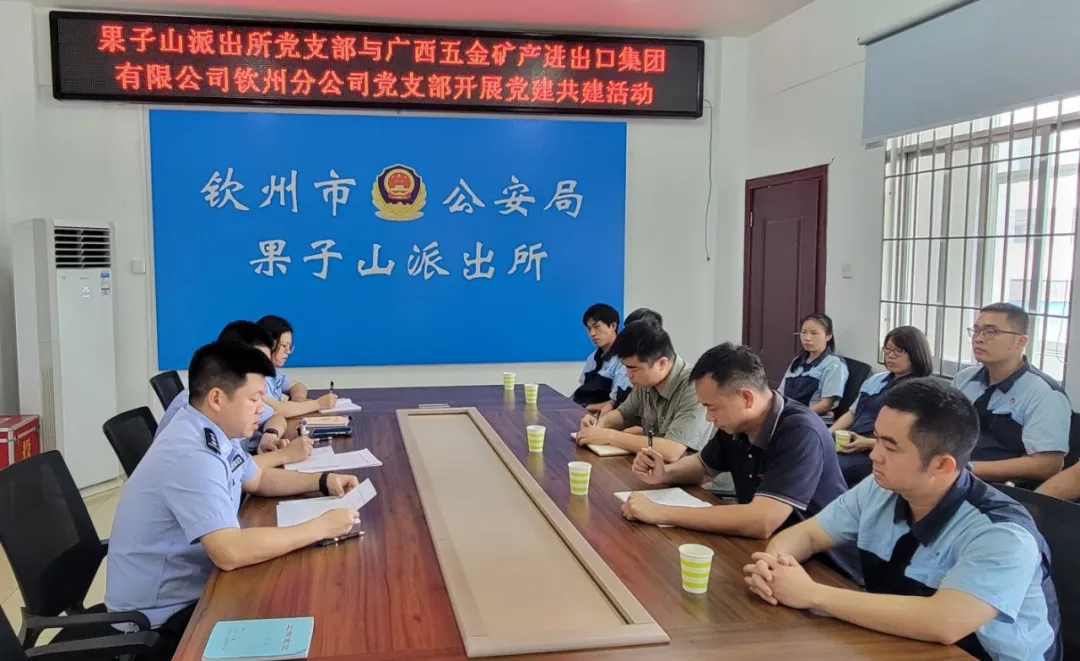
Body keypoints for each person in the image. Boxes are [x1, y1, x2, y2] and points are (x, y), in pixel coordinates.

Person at [744, 378, 1060, 661]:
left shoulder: (1003, 534)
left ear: (942, 465)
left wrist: (811, 593)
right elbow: (808, 535)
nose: (874, 454)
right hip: (899, 641)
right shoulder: (880, 488)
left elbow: (944, 622)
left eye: (891, 447)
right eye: (877, 439)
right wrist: (774, 568)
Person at [106, 341, 361, 660]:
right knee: (307, 611)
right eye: (254, 399)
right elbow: (229, 552)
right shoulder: (191, 454)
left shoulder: (209, 430)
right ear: (217, 398)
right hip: (158, 623)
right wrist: (320, 528)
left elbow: (256, 478)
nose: (262, 409)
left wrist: (322, 481)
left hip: (195, 588)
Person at [624, 343, 859, 581]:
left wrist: (661, 512)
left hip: (824, 570)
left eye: (712, 407)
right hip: (767, 554)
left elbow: (762, 520)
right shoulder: (737, 424)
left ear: (746, 397)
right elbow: (703, 467)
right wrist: (665, 473)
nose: (709, 417)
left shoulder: (800, 431)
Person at [158, 321, 310, 469]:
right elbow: (239, 473)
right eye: (256, 364)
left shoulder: (235, 400)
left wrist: (270, 435)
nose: (264, 372)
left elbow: (275, 415)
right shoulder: (203, 410)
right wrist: (284, 455)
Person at [953, 303, 1069, 485]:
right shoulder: (964, 379)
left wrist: (966, 469)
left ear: (1021, 341)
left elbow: (1048, 464)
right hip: (951, 475)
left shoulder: (1045, 393)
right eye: (976, 331)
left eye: (991, 332)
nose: (979, 339)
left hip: (1000, 487)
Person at [575, 320, 711, 462]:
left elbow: (672, 450)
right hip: (653, 468)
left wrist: (609, 436)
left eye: (633, 369)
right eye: (625, 367)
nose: (628, 375)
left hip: (691, 475)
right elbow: (624, 414)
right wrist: (597, 425)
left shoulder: (695, 387)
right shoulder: (645, 381)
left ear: (662, 363)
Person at [831, 326, 934, 486]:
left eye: (899, 351)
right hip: (853, 440)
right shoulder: (876, 379)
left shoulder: (921, 390)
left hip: (881, 452)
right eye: (888, 349)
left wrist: (868, 443)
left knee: (827, 467)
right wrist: (828, 433)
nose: (891, 355)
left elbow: (913, 439)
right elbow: (852, 413)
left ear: (916, 354)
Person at [778, 313, 848, 424]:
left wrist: (796, 415)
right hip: (788, 417)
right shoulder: (796, 361)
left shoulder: (834, 364)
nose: (807, 338)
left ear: (828, 336)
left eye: (814, 333)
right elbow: (780, 394)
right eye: (803, 332)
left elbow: (826, 404)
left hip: (813, 421)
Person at [571, 304, 632, 412]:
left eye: (596, 327)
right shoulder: (592, 358)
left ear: (613, 326)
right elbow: (583, 389)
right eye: (589, 329)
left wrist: (582, 407)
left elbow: (619, 402)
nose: (592, 334)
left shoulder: (625, 358)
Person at [258, 315, 310, 402]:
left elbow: (297, 386)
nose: (288, 351)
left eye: (289, 346)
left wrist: (299, 398)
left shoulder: (272, 373)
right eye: (284, 345)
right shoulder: (257, 378)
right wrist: (318, 404)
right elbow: (277, 408)